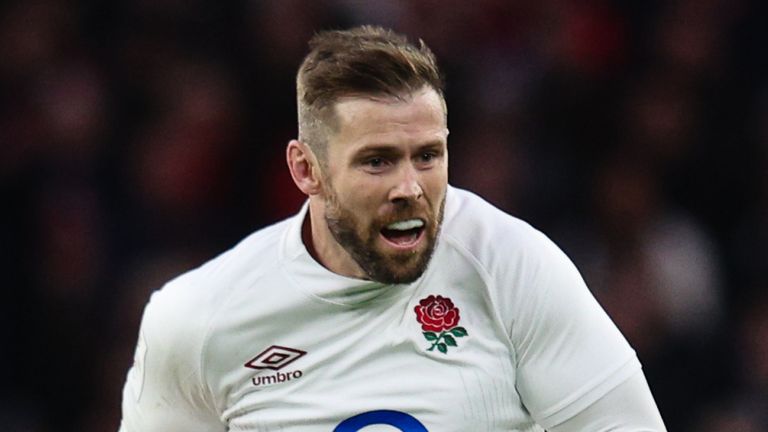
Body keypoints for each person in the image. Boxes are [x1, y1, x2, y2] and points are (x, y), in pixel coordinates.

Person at [119, 25, 667, 431]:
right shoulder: (197, 320)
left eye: (428, 155)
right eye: (377, 161)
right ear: (305, 169)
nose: (410, 186)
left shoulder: (510, 266)